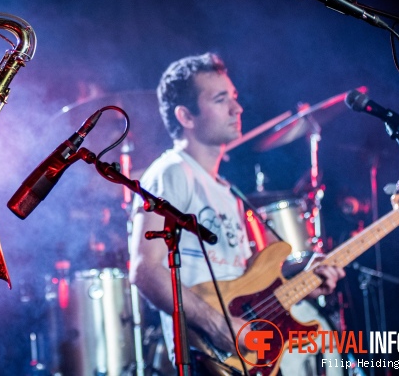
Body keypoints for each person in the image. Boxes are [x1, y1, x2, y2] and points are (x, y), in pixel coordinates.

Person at [129, 53, 345, 375]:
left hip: (245, 357)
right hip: (207, 355)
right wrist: (218, 327)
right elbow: (144, 269)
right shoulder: (172, 171)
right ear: (186, 116)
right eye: (220, 99)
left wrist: (302, 283)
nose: (237, 108)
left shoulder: (229, 191)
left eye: (234, 97)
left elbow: (251, 288)